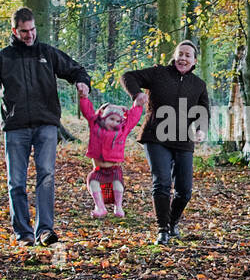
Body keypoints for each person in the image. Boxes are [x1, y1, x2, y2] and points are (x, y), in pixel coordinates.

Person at [0, 7, 91, 245]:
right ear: (14, 31)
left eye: (33, 30)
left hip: (46, 124)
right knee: (16, 181)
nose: (29, 35)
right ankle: (23, 234)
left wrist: (82, 83)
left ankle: (45, 230)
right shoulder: (3, 59)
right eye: (24, 31)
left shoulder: (47, 53)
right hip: (16, 127)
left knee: (46, 176)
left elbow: (75, 69)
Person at [123, 40, 210, 245]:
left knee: (184, 190)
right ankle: (162, 230)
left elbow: (204, 111)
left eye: (188, 55)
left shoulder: (198, 85)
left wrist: (201, 130)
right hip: (156, 136)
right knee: (161, 182)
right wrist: (137, 94)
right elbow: (128, 76)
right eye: (180, 54)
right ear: (175, 55)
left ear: (194, 60)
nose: (183, 58)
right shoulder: (158, 74)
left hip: (183, 139)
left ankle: (172, 222)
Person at [80, 91, 147, 217]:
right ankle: (100, 207)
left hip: (114, 168)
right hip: (98, 169)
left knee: (118, 184)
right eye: (111, 119)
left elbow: (132, 119)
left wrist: (137, 105)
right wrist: (84, 98)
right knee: (92, 182)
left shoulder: (122, 130)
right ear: (104, 117)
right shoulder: (95, 126)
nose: (114, 123)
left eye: (118, 121)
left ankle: (118, 206)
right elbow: (87, 112)